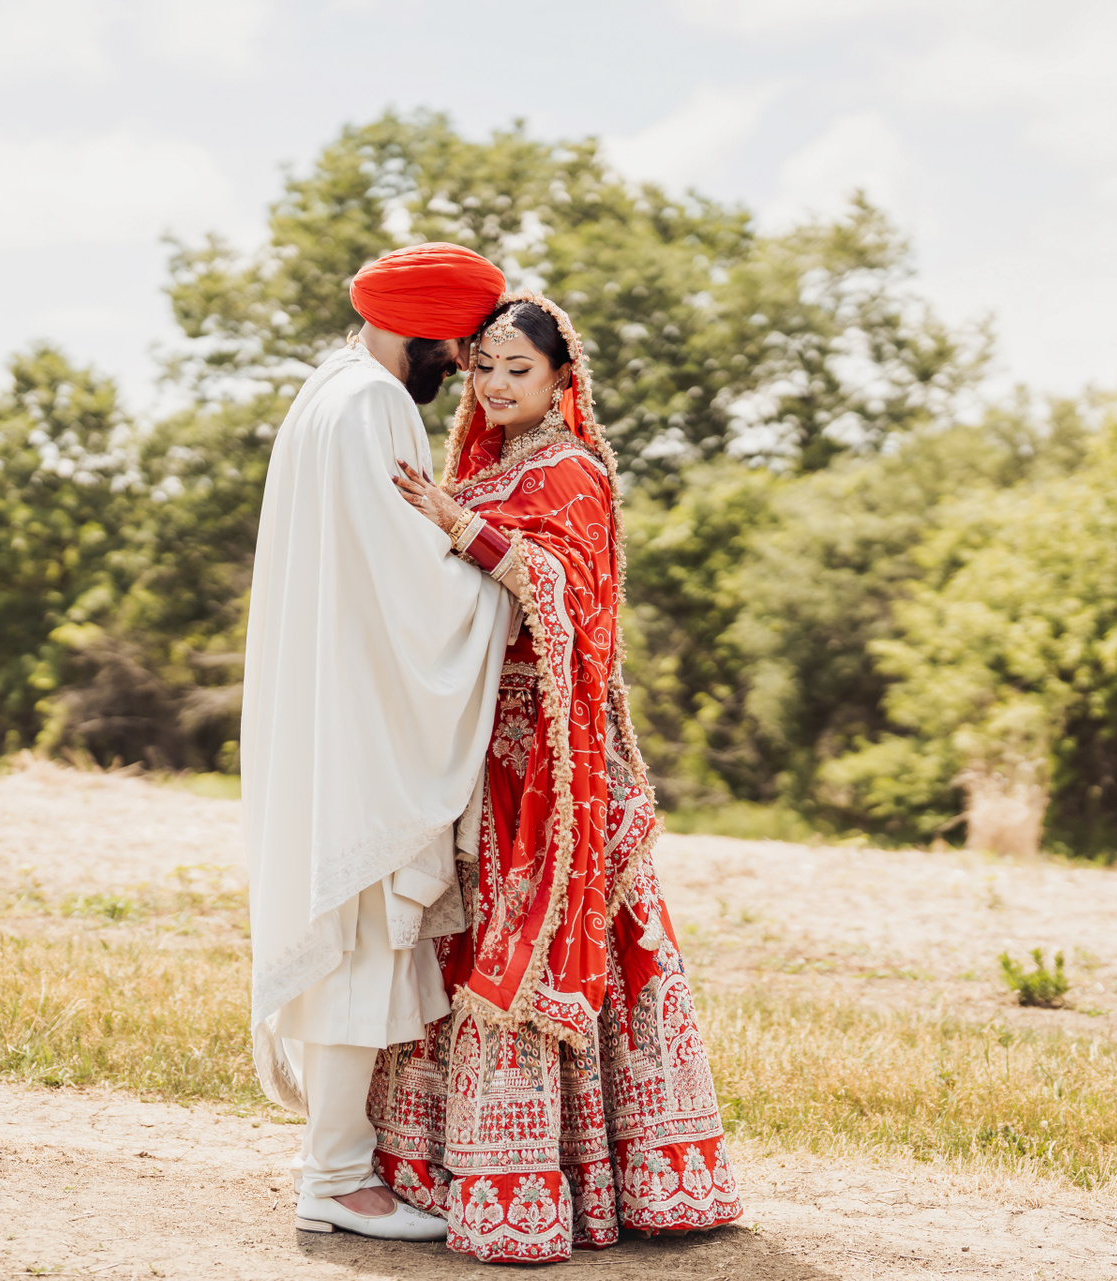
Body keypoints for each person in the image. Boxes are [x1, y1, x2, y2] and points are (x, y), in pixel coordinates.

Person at [382, 293, 745, 1263]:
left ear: (560, 380)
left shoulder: (570, 469)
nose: (497, 386)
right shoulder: (480, 468)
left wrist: (463, 527)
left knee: (567, 940)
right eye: (484, 368)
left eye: (518, 370)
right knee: (470, 936)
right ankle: (449, 1172)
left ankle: (605, 1182)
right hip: (479, 745)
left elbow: (566, 595)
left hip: (557, 754)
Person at [241, 241, 509, 1241]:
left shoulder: (327, 391)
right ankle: (336, 1180)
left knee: (348, 934)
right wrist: (507, 573)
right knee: (356, 936)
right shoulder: (375, 405)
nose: (467, 366)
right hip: (360, 711)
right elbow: (410, 573)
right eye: (463, 344)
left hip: (331, 697)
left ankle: (339, 1166)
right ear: (428, 329)